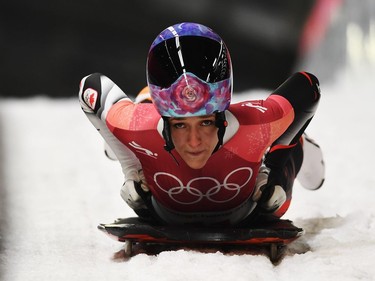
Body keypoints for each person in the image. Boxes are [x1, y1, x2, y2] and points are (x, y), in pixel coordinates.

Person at [78, 22, 325, 226]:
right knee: (129, 130)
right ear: (164, 119)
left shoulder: (258, 124)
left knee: (306, 179)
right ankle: (145, 102)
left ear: (221, 116)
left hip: (250, 202)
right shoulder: (137, 126)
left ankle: (301, 145)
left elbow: (308, 87)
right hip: (179, 186)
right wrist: (131, 169)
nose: (194, 142)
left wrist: (272, 170)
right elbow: (90, 85)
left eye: (206, 122)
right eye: (180, 125)